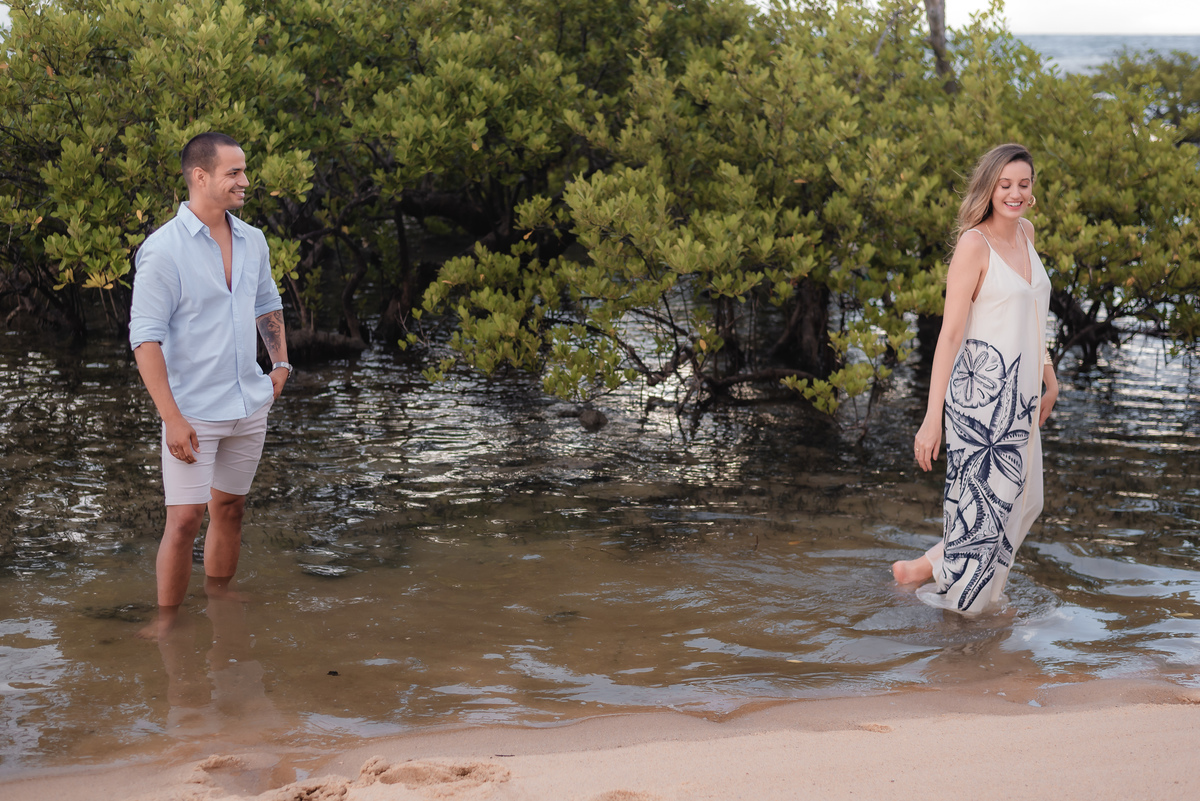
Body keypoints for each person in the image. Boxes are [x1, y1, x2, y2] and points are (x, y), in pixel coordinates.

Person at [129, 132, 291, 636]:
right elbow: (145, 340)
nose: (245, 181)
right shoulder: (163, 251)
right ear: (200, 177)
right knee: (183, 521)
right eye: (234, 172)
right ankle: (166, 626)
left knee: (231, 508)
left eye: (244, 171)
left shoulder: (253, 240)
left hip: (248, 400)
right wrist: (171, 418)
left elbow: (268, 303)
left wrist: (281, 367)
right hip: (192, 411)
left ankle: (219, 600)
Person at [892, 143, 1058, 615]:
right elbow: (949, 336)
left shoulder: (1026, 232)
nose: (1015, 193)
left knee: (1026, 503)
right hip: (981, 402)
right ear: (988, 187)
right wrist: (932, 419)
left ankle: (925, 570)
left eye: (1023, 184)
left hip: (1021, 398)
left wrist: (1051, 379)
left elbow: (1034, 313)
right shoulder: (973, 245)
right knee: (984, 514)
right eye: (1005, 184)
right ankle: (961, 624)